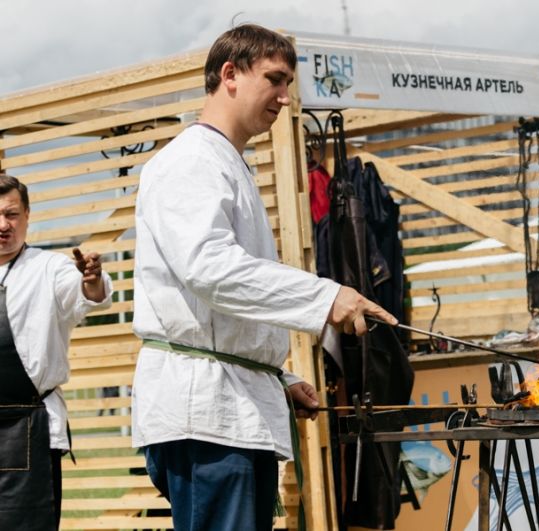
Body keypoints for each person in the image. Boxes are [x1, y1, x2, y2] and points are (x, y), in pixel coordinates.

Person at [131, 24, 397, 531]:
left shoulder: (227, 163)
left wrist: (280, 378)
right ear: (229, 74)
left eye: (288, 83)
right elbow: (210, 270)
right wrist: (325, 297)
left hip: (231, 407)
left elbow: (219, 311)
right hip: (205, 416)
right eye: (274, 79)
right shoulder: (190, 160)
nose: (284, 96)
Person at [0, 174, 112, 530]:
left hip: (27, 431)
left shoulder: (51, 268)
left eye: (12, 214)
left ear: (28, 215)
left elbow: (86, 294)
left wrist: (91, 280)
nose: (3, 225)